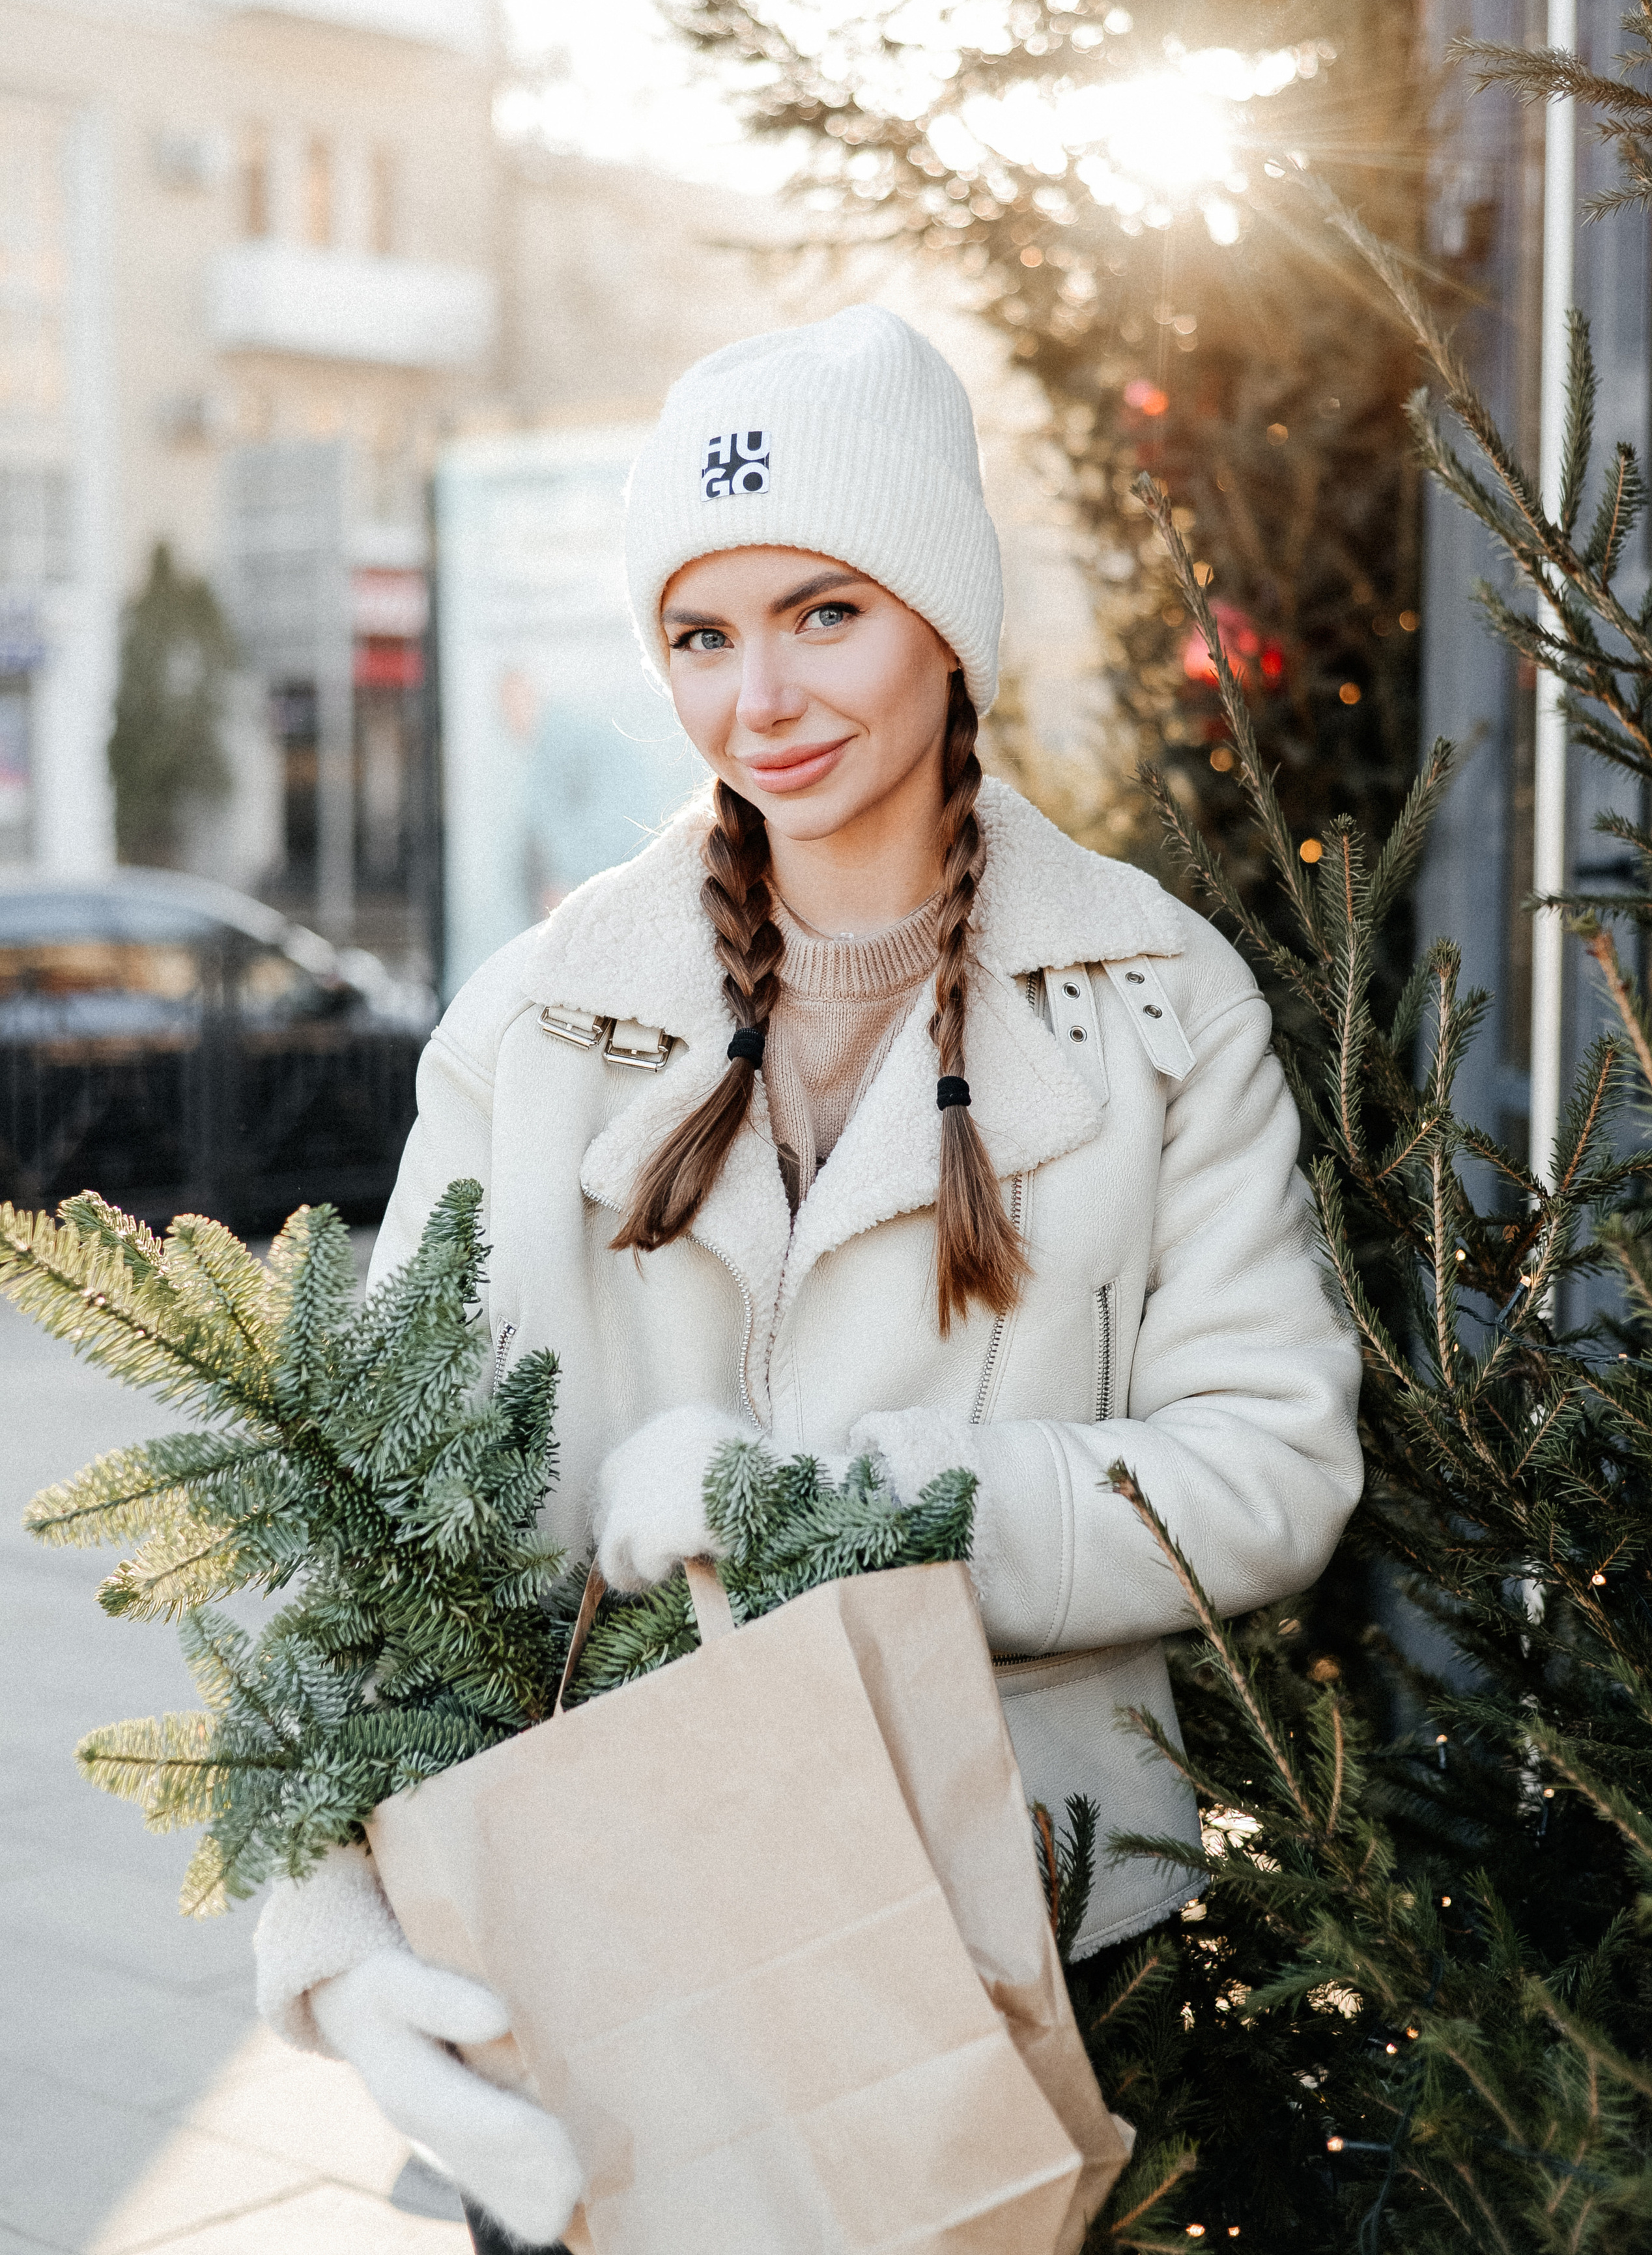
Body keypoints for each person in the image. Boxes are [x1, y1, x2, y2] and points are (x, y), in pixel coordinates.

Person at [251, 305, 1362, 2253]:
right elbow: (357, 1500)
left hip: (1028, 1947)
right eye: (703, 632)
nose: (761, 695)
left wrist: (825, 1520)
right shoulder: (535, 1021)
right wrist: (335, 1940)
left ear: (947, 619)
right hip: (593, 1973)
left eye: (825, 611)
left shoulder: (1157, 1001)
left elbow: (1267, 1467)